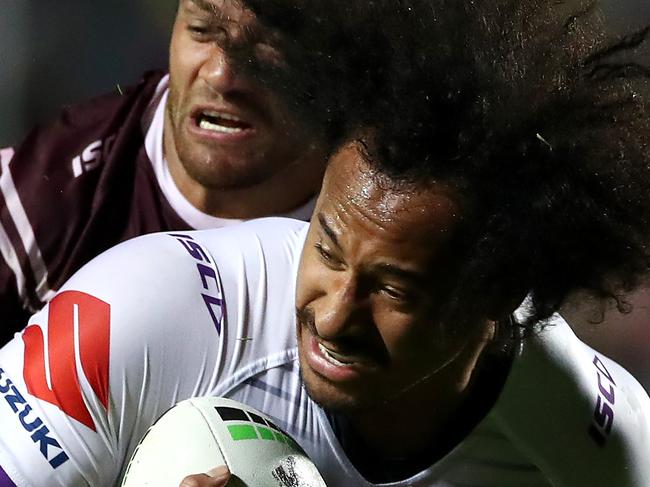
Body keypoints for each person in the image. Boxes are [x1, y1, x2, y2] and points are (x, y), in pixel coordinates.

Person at [2, 0, 650, 485]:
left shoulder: (595, 436)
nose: (335, 314)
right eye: (329, 250)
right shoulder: (141, 313)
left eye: (395, 286)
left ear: (497, 295)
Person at [0, 0, 330, 344]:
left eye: (270, 43)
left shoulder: (377, 218)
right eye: (202, 30)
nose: (221, 74)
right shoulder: (40, 195)